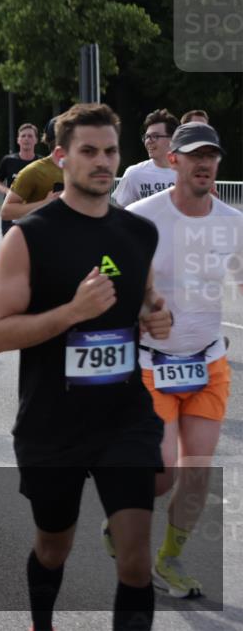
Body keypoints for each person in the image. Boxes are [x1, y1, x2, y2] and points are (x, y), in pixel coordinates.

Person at [0, 103, 173, 631]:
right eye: (89, 151)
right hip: (52, 421)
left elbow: (146, 300)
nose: (102, 162)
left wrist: (155, 316)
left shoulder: (138, 234)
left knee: (135, 559)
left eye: (110, 151)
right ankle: (40, 623)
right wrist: (72, 312)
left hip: (124, 417)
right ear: (61, 158)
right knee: (53, 547)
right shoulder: (31, 236)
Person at [113, 122, 241, 599]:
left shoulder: (233, 221)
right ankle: (120, 517)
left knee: (197, 472)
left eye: (211, 155)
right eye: (194, 155)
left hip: (208, 361)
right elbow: (107, 267)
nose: (204, 163)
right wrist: (142, 308)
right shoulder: (143, 216)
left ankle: (169, 556)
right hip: (153, 362)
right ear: (175, 161)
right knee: (161, 474)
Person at [0, 118, 64, 224]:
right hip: (39, 237)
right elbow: (5, 212)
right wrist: (44, 203)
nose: (26, 139)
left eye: (30, 136)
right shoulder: (33, 170)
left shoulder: (82, 170)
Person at [112, 109, 178, 208]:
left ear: (172, 139)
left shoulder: (188, 173)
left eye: (155, 136)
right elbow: (120, 212)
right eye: (147, 137)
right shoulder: (133, 174)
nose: (148, 141)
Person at [0, 123, 42, 236]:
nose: (26, 139)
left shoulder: (41, 163)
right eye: (23, 136)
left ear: (36, 140)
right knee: (11, 248)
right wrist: (7, 191)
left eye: (30, 136)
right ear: (18, 140)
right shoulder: (8, 160)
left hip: (34, 212)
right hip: (12, 211)